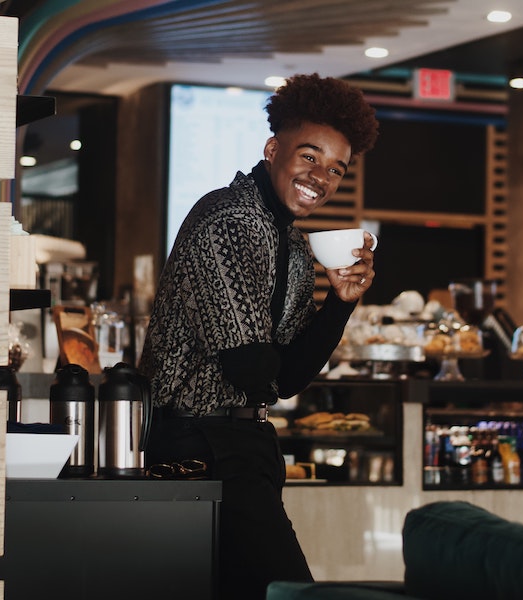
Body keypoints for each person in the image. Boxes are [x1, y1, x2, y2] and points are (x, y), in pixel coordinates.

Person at [139, 72, 379, 600]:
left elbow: (287, 378)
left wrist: (340, 304)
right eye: (310, 156)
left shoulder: (292, 245)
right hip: (195, 446)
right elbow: (250, 370)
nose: (321, 176)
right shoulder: (227, 217)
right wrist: (272, 366)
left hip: (244, 447)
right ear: (274, 147)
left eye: (336, 168)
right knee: (288, 591)